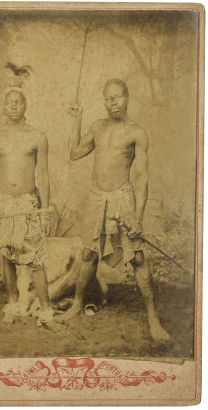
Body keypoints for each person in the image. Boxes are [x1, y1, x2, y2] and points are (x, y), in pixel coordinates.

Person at [58, 79, 170, 343]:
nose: (113, 103)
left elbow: (141, 178)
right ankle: (76, 305)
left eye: (118, 97)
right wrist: (77, 119)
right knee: (88, 254)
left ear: (127, 97)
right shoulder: (97, 127)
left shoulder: (137, 133)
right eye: (109, 98)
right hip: (97, 198)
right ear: (104, 100)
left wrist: (138, 219)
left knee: (138, 259)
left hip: (123, 198)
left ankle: (153, 319)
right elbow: (74, 153)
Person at [0, 87, 54, 324]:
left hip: (28, 203)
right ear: (4, 106)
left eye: (18, 102)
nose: (13, 106)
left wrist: (46, 209)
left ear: (25, 105)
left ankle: (46, 310)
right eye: (9, 102)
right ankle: (12, 304)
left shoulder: (38, 137)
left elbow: (43, 174)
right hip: (2, 203)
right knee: (7, 255)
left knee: (36, 259)